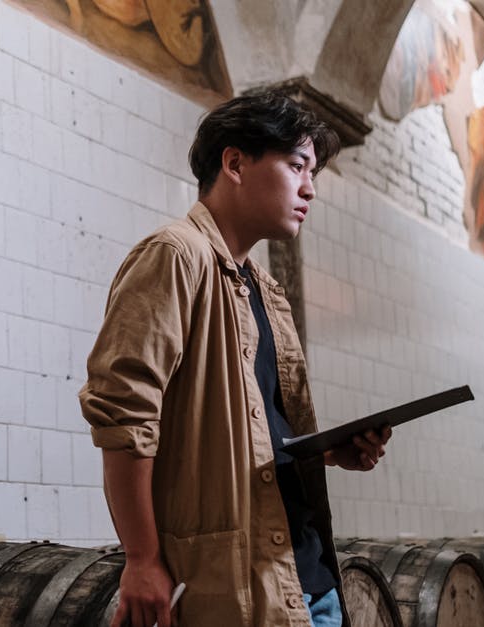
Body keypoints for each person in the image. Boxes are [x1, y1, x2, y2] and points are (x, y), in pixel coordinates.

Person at [79, 90, 391, 626]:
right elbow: (123, 415)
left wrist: (325, 452)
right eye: (297, 166)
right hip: (242, 591)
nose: (310, 188)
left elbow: (255, 431)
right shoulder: (177, 256)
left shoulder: (266, 291)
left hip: (308, 580)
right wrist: (142, 559)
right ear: (235, 163)